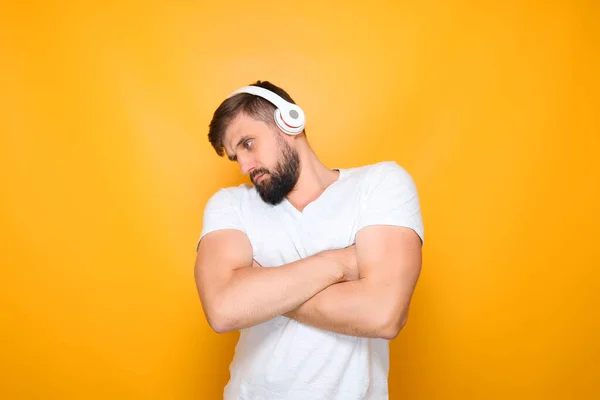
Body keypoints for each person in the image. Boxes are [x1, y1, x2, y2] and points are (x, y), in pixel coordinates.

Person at [194, 80, 424, 400]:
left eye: (248, 143)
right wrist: (341, 262)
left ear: (290, 122)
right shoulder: (230, 205)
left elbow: (383, 314)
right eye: (236, 157)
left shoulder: (380, 185)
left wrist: (260, 290)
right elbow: (223, 310)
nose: (245, 166)